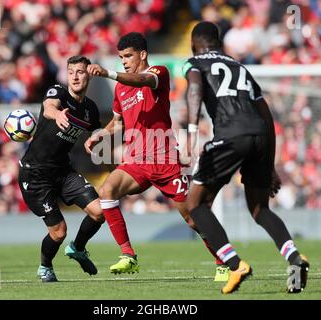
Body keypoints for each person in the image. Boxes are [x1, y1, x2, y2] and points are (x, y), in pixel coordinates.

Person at [85, 32, 227, 277]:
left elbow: (141, 81)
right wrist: (101, 134)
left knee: (192, 218)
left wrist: (108, 72)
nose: (124, 61)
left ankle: (223, 261)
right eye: (120, 57)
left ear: (142, 54)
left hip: (164, 161)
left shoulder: (158, 73)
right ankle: (128, 254)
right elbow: (118, 122)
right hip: (137, 162)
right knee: (107, 191)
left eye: (128, 56)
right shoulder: (120, 89)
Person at [183, 21, 310, 294]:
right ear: (219, 42)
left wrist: (192, 130)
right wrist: (270, 163)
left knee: (195, 205)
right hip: (261, 136)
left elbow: (194, 88)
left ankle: (234, 264)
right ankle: (294, 258)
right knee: (260, 209)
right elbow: (266, 115)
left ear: (195, 43)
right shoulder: (241, 67)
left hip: (230, 136)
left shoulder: (194, 63)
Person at [18, 55, 104, 282]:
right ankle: (45, 267)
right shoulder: (58, 92)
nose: (75, 76)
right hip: (35, 173)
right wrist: (58, 115)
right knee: (58, 231)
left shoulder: (91, 109)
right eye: (71, 72)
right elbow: (49, 107)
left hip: (63, 171)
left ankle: (77, 248)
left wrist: (96, 138)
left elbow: (98, 130)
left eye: (80, 72)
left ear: (89, 75)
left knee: (99, 211)